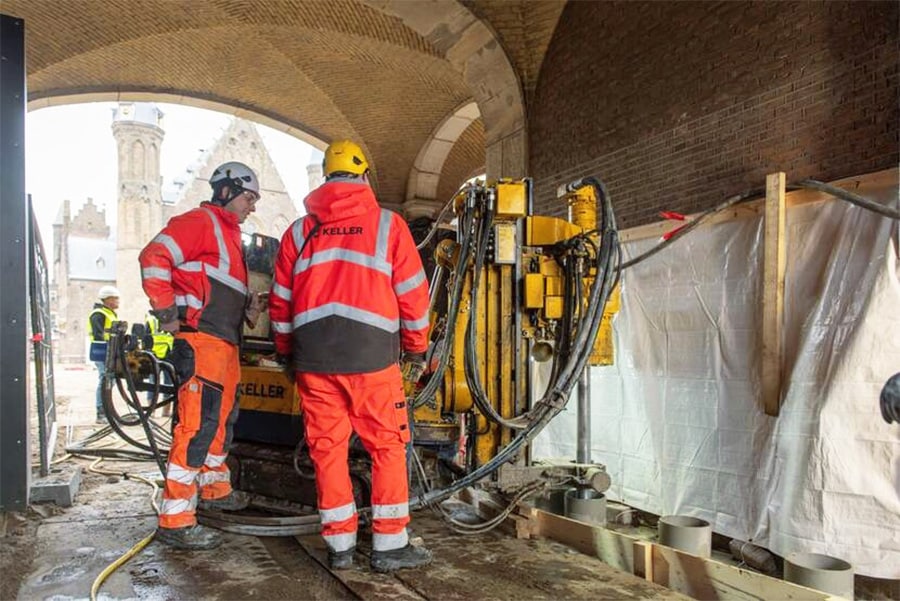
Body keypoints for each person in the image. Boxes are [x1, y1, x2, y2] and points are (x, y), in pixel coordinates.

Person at [269, 140, 432, 573]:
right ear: (363, 177)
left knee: (327, 451)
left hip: (314, 361)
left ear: (326, 178)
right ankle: (389, 544)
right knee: (387, 448)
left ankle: (340, 547)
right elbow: (414, 296)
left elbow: (280, 303)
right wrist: (416, 347)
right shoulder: (387, 225)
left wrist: (287, 354)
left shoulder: (299, 232)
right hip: (372, 358)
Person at [139, 161, 266, 550]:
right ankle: (175, 519)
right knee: (196, 426)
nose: (253, 207)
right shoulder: (199, 223)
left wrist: (249, 307)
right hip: (200, 342)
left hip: (224, 344)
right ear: (226, 191)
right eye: (249, 198)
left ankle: (214, 492)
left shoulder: (229, 238)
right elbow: (152, 256)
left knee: (222, 421)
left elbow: (215, 288)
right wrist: (167, 315)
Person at [88, 285, 120, 423]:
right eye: (115, 298)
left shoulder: (109, 313)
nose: (118, 301)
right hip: (102, 351)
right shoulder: (99, 314)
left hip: (110, 350)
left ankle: (106, 411)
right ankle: (101, 413)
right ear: (107, 299)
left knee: (109, 380)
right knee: (105, 379)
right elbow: (99, 335)